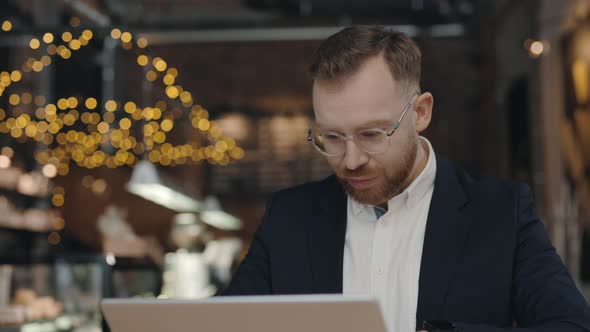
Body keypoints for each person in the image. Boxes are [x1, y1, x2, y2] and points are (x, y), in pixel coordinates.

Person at [222, 26, 590, 332]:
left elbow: (569, 326)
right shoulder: (289, 217)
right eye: (331, 137)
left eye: (371, 134)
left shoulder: (501, 212)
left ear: (420, 112)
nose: (351, 161)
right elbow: (223, 323)